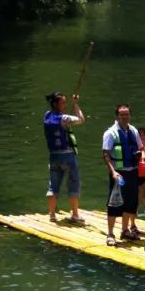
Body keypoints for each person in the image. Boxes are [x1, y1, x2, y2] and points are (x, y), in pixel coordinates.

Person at [102, 104, 143, 245]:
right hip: (119, 173)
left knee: (131, 202)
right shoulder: (110, 133)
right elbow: (106, 154)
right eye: (122, 115)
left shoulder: (133, 131)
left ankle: (125, 230)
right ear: (117, 116)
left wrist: (140, 156)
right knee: (114, 202)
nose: (125, 117)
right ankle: (110, 233)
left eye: (127, 114)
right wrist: (113, 172)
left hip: (133, 171)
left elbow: (140, 148)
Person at [43, 90, 85, 225]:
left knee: (53, 186)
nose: (64, 105)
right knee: (73, 183)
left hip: (53, 156)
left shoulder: (47, 116)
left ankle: (52, 215)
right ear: (56, 104)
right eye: (63, 103)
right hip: (67, 156)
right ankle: (75, 215)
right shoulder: (64, 118)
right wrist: (76, 104)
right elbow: (81, 119)